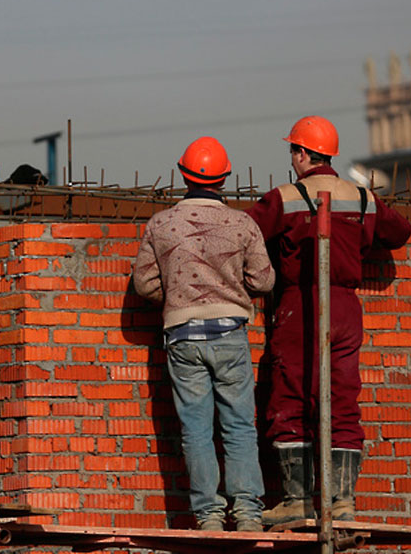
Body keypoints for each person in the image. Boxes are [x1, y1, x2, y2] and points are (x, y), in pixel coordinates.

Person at [246, 116, 411, 525]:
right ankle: (342, 501)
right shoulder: (361, 197)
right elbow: (400, 231)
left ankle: (298, 499)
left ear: (302, 154)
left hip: (299, 305)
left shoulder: (285, 196)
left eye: (293, 151)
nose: (292, 158)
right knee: (341, 401)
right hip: (345, 307)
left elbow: (244, 232)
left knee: (291, 398)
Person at [133, 136, 275, 533]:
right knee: (240, 425)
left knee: (195, 429)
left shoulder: (161, 224)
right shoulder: (242, 223)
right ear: (225, 177)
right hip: (230, 332)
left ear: (183, 174)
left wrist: (178, 297)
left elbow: (145, 285)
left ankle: (209, 516)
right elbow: (264, 280)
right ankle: (248, 513)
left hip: (182, 336)